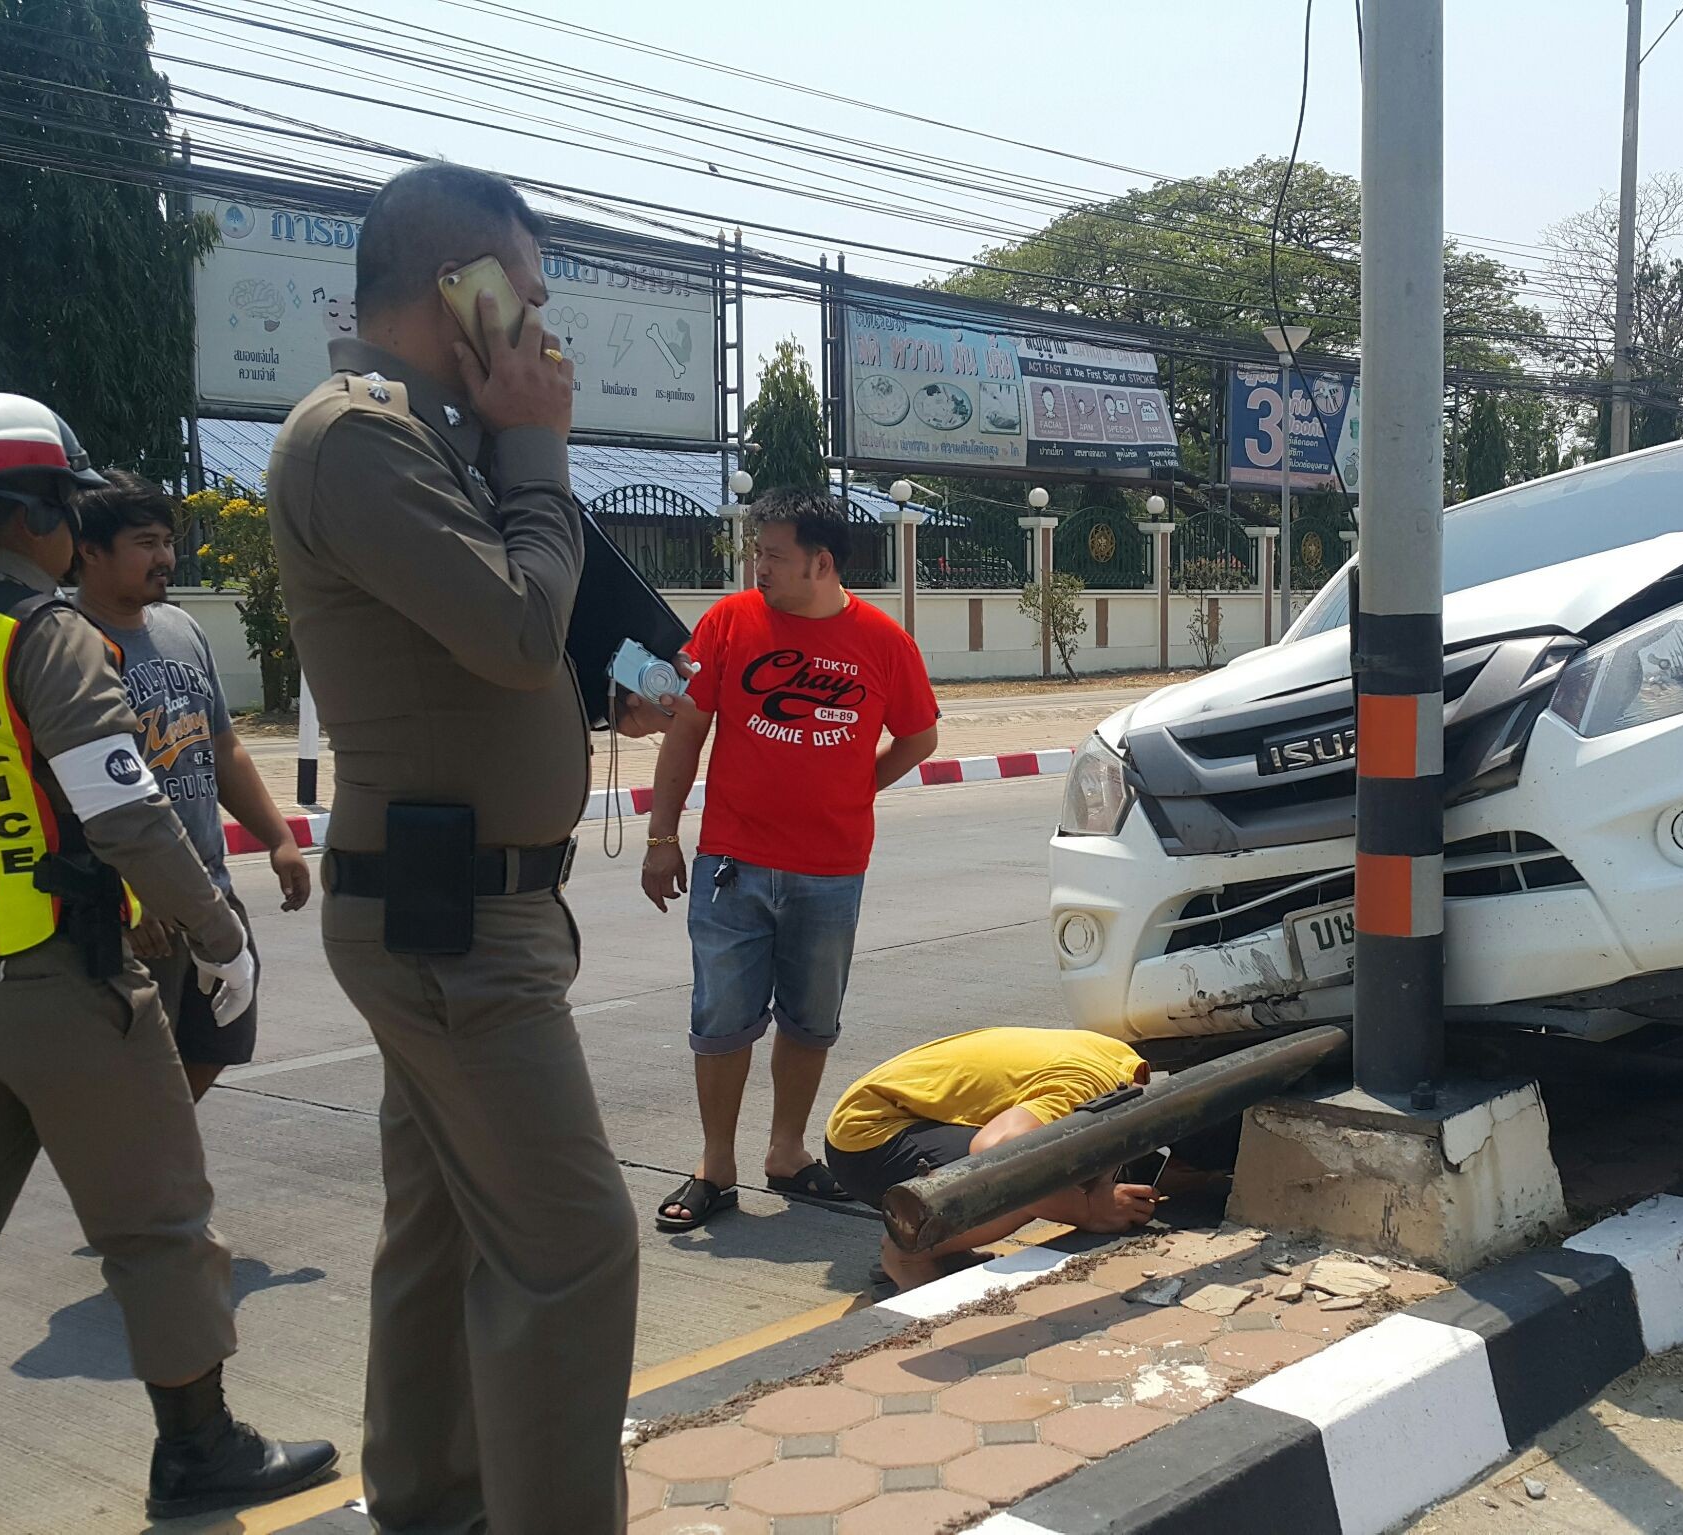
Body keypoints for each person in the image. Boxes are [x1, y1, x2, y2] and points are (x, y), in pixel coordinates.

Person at [0, 394, 338, 1533]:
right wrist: (218, 934)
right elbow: (127, 813)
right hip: (55, 973)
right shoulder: (38, 634)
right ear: (34, 512)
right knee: (159, 1217)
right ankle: (200, 1450)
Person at [265, 161, 662, 1534]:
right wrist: (539, 447)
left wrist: (615, 668)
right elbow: (506, 631)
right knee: (571, 1247)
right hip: (450, 921)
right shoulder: (359, 437)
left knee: (440, 1229)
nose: (546, 333)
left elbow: (527, 633)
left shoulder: (436, 441)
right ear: (463, 291)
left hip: (469, 907)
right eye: (529, 296)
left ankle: (431, 1503)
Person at [640, 487, 942, 1230]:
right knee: (721, 1018)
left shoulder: (882, 641)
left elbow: (919, 737)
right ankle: (716, 1164)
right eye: (756, 552)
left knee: (811, 1019)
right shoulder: (729, 623)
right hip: (732, 863)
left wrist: (853, 787)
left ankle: (786, 1152)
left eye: (773, 554)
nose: (759, 566)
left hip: (830, 868)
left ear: (822, 562)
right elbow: (685, 733)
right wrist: (660, 836)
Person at [69, 470, 312, 1100]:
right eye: (146, 543)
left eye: (168, 541)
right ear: (89, 550)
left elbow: (223, 746)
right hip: (137, 910)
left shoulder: (181, 629)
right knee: (138, 1073)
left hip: (210, 889)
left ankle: (158, 1174)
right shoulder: (61, 648)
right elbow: (67, 793)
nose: (166, 558)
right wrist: (127, 897)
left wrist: (278, 837)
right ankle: (148, 1183)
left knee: (220, 1043)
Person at [823, 1028, 1162, 1289]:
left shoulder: (1116, 1057)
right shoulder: (1086, 1087)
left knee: (1055, 1169)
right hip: (868, 1138)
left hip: (883, 1113)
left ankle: (948, 1246)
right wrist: (1090, 1210)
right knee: (1033, 1181)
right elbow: (999, 1153)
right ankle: (911, 1252)